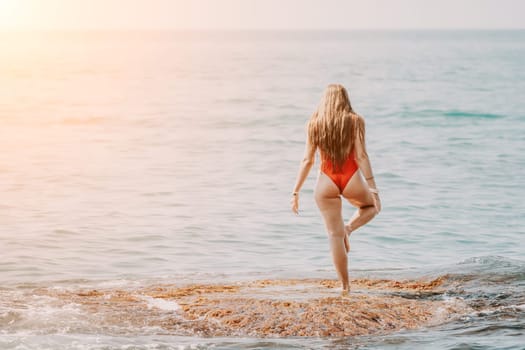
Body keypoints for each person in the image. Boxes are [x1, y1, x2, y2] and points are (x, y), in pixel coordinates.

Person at [290, 84, 381, 294]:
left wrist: (295, 191)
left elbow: (307, 160)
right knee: (372, 207)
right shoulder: (355, 121)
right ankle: (349, 228)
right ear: (345, 99)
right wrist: (373, 188)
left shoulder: (314, 123)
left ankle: (345, 286)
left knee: (334, 235)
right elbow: (361, 156)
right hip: (351, 178)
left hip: (325, 181)